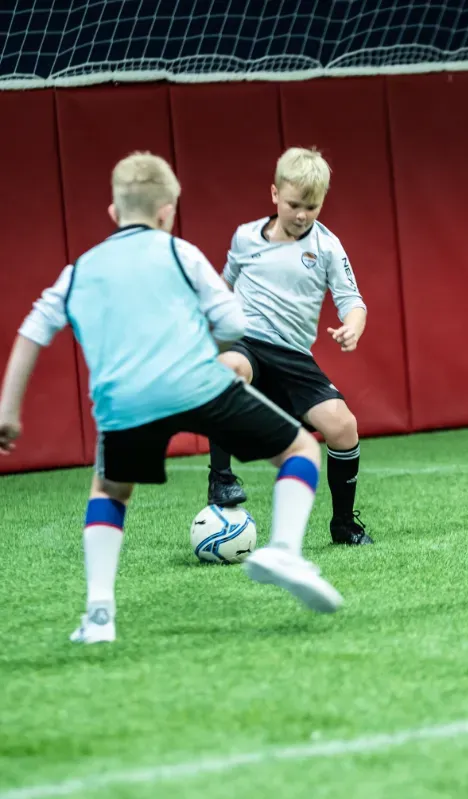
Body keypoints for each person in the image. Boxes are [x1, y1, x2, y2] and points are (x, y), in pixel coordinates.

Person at [0, 152, 342, 645]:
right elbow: (233, 323)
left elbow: (32, 330)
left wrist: (9, 412)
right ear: (167, 213)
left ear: (114, 214)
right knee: (301, 450)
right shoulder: (181, 254)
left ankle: (99, 615)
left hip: (125, 401)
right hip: (196, 383)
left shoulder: (80, 270)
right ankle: (284, 549)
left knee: (110, 492)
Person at [206, 147, 373, 545]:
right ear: (275, 194)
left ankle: (344, 524)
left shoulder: (328, 247)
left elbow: (353, 301)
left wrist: (353, 327)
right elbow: (223, 287)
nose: (302, 215)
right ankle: (221, 479)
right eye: (294, 204)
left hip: (294, 357)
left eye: (311, 207)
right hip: (247, 342)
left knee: (344, 427)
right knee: (229, 370)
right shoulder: (246, 237)